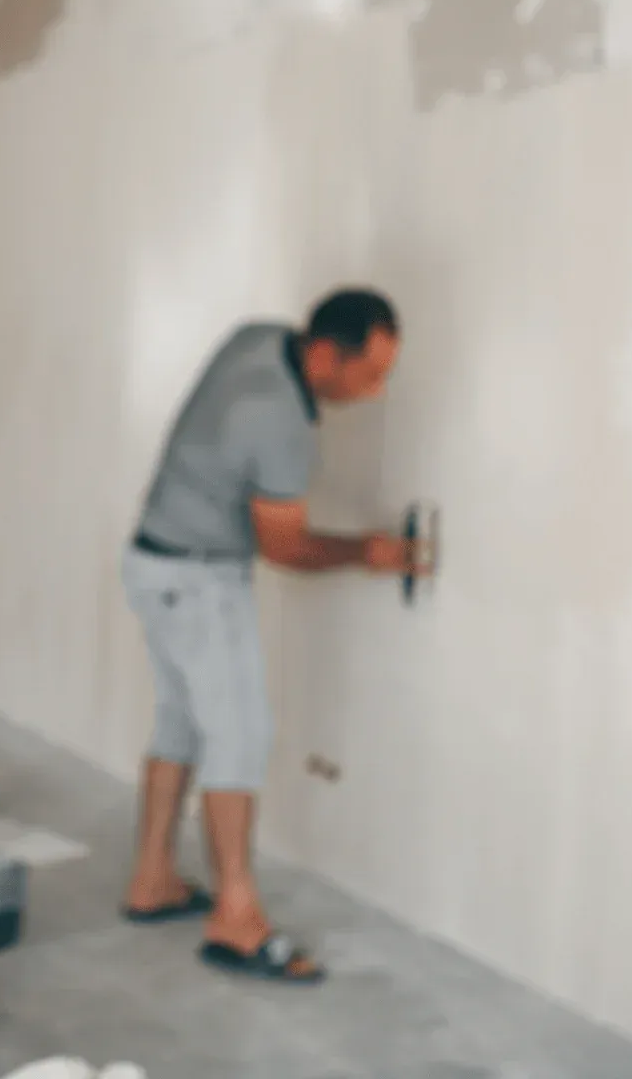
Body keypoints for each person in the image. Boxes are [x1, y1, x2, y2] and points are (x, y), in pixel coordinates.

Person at [120, 288, 414, 985]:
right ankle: (237, 917)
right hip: (199, 580)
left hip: (152, 559)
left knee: (181, 723)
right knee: (241, 736)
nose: (374, 393)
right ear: (323, 354)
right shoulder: (279, 422)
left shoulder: (257, 337)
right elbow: (285, 547)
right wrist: (364, 554)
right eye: (369, 375)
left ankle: (153, 878)